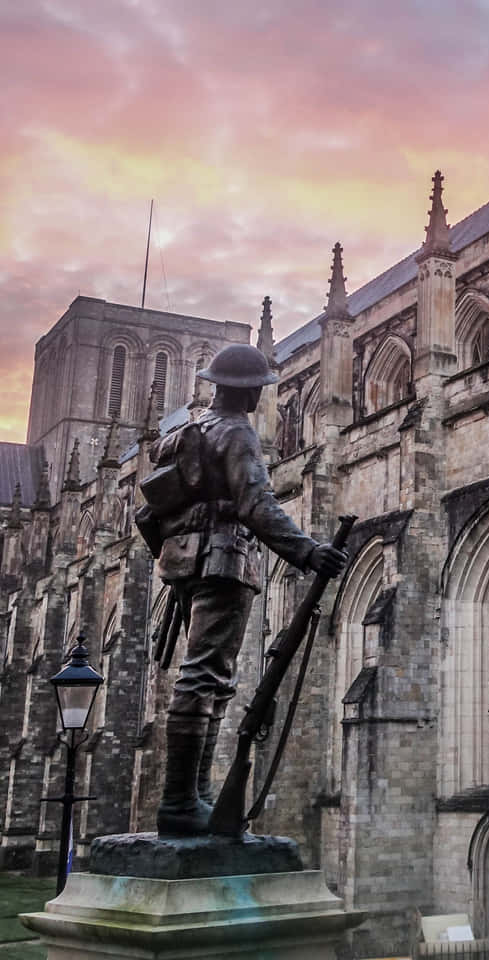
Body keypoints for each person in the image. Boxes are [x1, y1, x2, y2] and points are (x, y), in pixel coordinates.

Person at [152, 343, 349, 836]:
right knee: (204, 678)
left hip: (184, 561)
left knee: (209, 679)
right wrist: (307, 551)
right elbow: (256, 505)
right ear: (251, 392)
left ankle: (194, 797)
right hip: (223, 560)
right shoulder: (237, 433)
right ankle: (181, 801)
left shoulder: (192, 430)